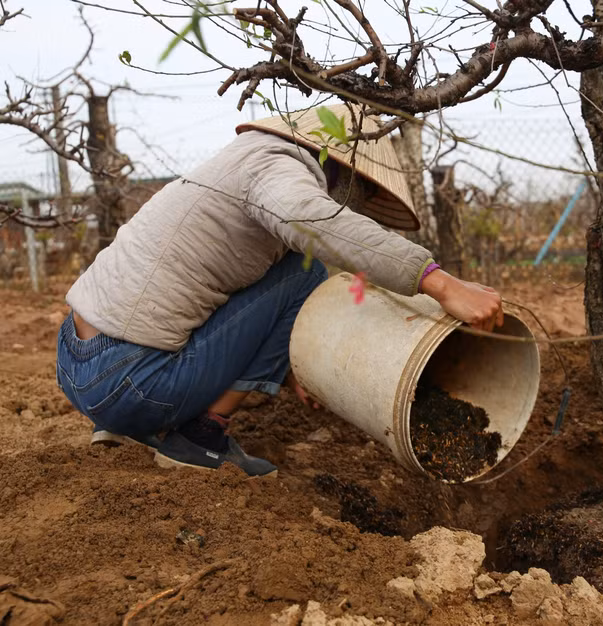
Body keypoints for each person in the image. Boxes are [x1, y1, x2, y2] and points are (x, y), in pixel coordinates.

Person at [56, 103, 504, 478]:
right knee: (304, 273)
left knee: (255, 275)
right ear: (341, 169)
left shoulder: (243, 160)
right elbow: (315, 224)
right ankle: (201, 436)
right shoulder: (275, 168)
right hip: (130, 382)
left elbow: (236, 295)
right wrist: (441, 284)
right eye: (363, 192)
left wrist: (292, 363)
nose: (359, 206)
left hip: (78, 363)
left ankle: (121, 423)